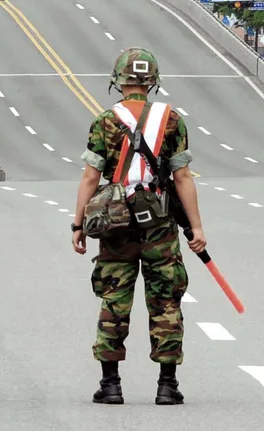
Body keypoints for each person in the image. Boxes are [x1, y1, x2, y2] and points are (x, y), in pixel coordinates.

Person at [71, 48, 205, 406]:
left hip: (115, 225)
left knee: (114, 299)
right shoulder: (172, 120)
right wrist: (196, 228)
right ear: (153, 82)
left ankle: (110, 384)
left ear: (118, 81)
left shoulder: (104, 121)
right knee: (165, 301)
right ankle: (167, 385)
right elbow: (182, 177)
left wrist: (79, 223)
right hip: (160, 225)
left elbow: (89, 177)